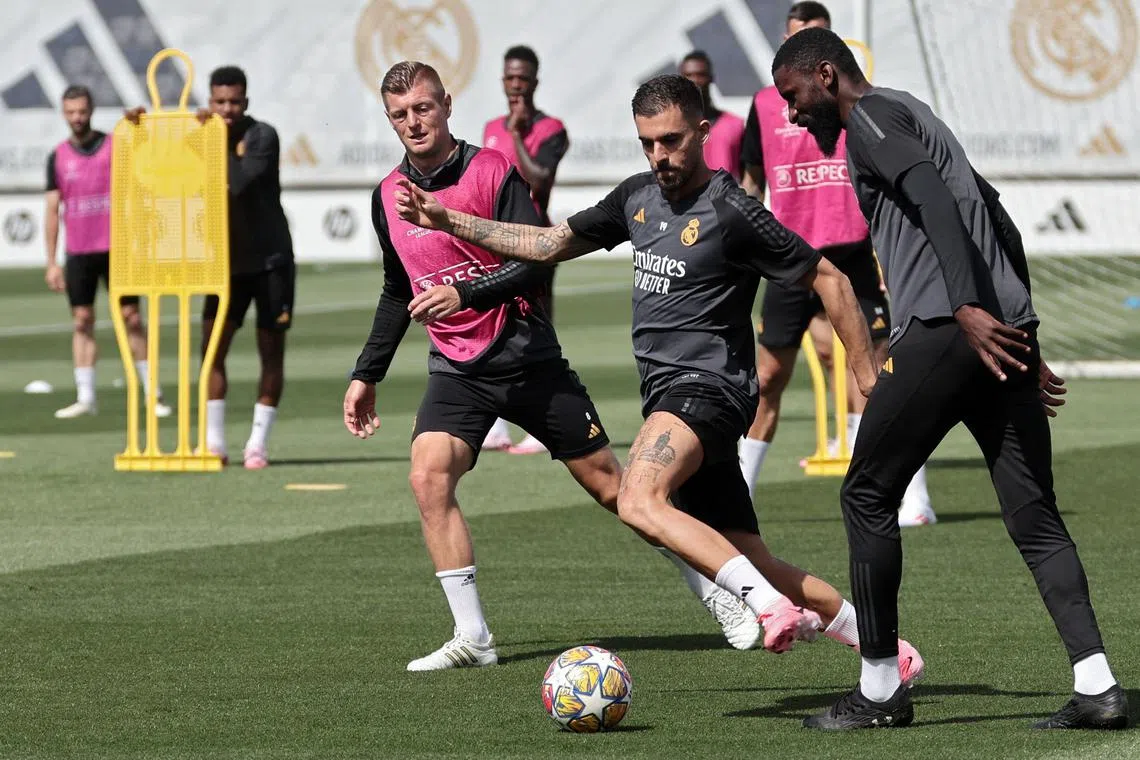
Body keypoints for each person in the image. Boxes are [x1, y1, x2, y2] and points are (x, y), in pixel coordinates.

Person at [393, 73, 926, 688]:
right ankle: (884, 645)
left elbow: (830, 279)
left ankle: (766, 607)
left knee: (638, 497)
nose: (659, 156)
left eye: (671, 141)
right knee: (754, 556)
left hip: (707, 390)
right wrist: (450, 219)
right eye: (647, 143)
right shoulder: (637, 198)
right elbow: (548, 243)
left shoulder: (732, 209)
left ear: (702, 132)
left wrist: (865, 376)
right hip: (678, 397)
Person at [345, 61, 792, 669]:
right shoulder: (387, 198)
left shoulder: (491, 170)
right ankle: (473, 638)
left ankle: (717, 594)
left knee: (616, 489)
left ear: (446, 104)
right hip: (457, 369)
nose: (413, 122)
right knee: (428, 477)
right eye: (400, 114)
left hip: (527, 357)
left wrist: (467, 294)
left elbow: (536, 259)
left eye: (423, 108)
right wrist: (367, 373)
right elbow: (398, 287)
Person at [771, 27, 1126, 730]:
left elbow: (934, 199)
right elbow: (996, 215)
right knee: (1035, 516)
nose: (790, 112)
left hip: (945, 330)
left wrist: (964, 306)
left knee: (866, 495)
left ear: (825, 74)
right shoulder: (914, 112)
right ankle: (1099, 687)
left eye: (794, 95)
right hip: (1000, 333)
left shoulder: (867, 119)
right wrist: (1022, 328)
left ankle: (878, 692)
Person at [739, 1, 934, 527]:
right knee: (767, 377)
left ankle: (911, 497)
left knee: (875, 372)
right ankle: (738, 499)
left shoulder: (857, 102)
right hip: (790, 257)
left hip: (851, 256)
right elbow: (752, 180)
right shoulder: (764, 104)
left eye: (818, 37)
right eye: (799, 35)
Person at [128, 66, 295, 469]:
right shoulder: (200, 137)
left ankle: (257, 443)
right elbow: (159, 168)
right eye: (219, 102)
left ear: (246, 102)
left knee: (270, 352)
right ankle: (214, 442)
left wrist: (209, 138)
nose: (226, 110)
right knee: (211, 351)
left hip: (272, 262)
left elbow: (237, 183)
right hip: (224, 265)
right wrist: (140, 130)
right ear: (209, 101)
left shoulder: (262, 136)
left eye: (234, 102)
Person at [45, 85, 170, 420]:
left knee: (132, 318)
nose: (77, 118)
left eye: (82, 111)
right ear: (63, 113)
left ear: (91, 110)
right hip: (79, 252)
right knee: (82, 320)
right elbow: (52, 210)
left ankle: (152, 393)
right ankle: (86, 397)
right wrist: (51, 262)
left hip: (119, 249)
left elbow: (147, 171)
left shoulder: (116, 147)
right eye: (71, 112)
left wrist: (139, 127)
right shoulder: (57, 156)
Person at [480, 45, 571, 455]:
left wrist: (517, 133)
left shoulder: (552, 129)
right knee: (495, 329)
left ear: (535, 81)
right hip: (493, 242)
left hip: (536, 242)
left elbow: (539, 183)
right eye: (509, 78)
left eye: (523, 78)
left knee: (537, 330)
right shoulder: (488, 128)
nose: (515, 85)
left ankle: (543, 424)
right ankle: (498, 425)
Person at [678, 50, 745, 181]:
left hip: (726, 199)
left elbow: (749, 176)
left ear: (711, 78)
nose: (695, 80)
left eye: (700, 75)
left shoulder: (735, 125)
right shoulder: (672, 127)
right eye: (689, 75)